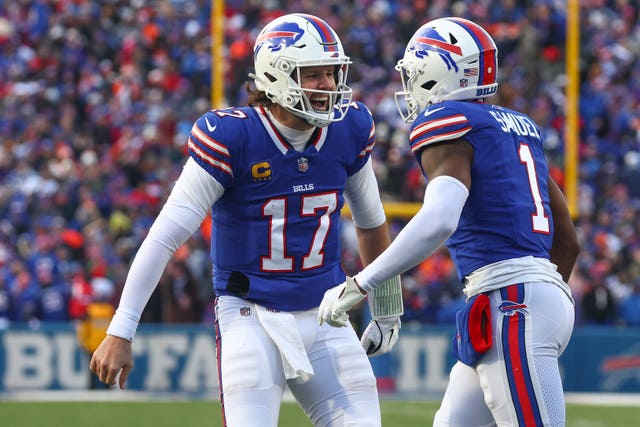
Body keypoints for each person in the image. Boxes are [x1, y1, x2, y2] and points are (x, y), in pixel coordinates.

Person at [89, 13, 403, 427]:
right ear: (276, 78)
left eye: (331, 72)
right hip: (250, 315)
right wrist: (121, 329)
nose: (328, 85)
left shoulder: (349, 128)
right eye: (314, 74)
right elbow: (164, 238)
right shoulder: (233, 138)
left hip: (328, 311)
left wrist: (386, 306)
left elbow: (371, 222)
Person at [318, 17, 580, 427]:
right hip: (526, 296)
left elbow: (439, 220)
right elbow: (569, 241)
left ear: (439, 72)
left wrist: (363, 283)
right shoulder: (519, 128)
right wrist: (545, 298)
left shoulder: (450, 124)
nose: (407, 85)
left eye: (414, 73)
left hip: (511, 300)